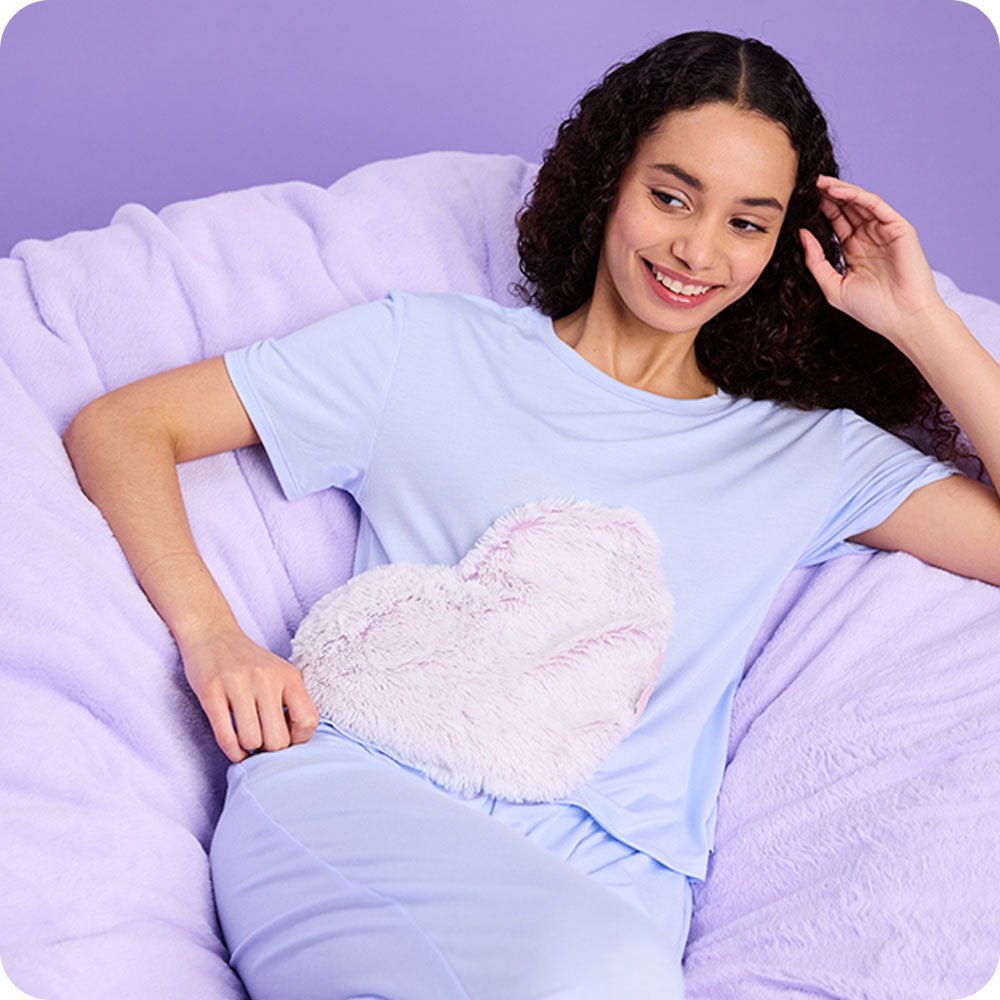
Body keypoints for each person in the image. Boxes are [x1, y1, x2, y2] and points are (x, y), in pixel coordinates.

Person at [61, 29, 1000, 1000]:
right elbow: (122, 427)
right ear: (610, 180)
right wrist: (213, 635)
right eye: (670, 197)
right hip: (364, 804)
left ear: (781, 246)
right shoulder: (425, 349)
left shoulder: (806, 453)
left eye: (746, 224)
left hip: (615, 883)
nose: (696, 249)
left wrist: (919, 319)